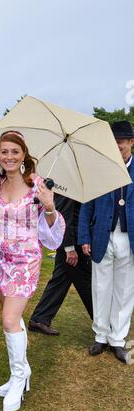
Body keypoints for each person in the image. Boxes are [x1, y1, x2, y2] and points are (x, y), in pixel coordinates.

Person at [0, 131, 65, 411]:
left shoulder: (37, 185)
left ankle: (18, 377)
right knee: (12, 319)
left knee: (9, 319)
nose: (8, 156)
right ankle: (23, 370)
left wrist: (49, 208)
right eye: (4, 151)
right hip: (0, 261)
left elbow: (53, 237)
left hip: (25, 262)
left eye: (14, 151)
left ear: (24, 155)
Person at [78, 120, 134, 364]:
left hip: (129, 238)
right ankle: (101, 335)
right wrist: (83, 237)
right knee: (101, 287)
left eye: (121, 141)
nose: (117, 145)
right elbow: (86, 205)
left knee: (124, 291)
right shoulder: (98, 169)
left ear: (131, 142)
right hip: (101, 235)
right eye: (113, 141)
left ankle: (118, 339)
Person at [28, 195, 93, 336]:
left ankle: (40, 319)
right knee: (88, 282)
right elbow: (63, 215)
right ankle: (102, 322)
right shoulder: (69, 185)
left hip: (75, 241)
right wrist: (69, 248)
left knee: (61, 279)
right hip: (72, 243)